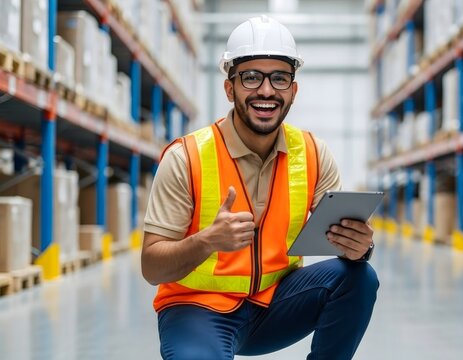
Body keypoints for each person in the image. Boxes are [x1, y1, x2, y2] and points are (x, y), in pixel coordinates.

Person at [141, 15, 379, 360]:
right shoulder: (186, 157)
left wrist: (360, 247)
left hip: (275, 305)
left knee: (359, 278)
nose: (266, 91)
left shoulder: (312, 152)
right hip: (198, 309)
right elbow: (151, 268)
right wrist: (207, 240)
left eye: (279, 79)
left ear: (293, 91)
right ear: (230, 87)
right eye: (251, 77)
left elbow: (345, 239)